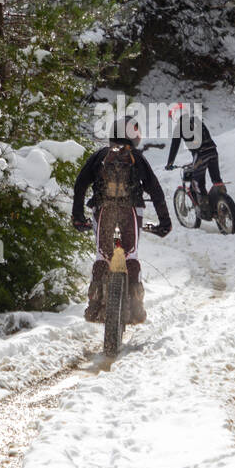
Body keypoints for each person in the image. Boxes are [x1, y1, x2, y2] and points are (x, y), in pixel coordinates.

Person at [72, 116, 170, 323]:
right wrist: (164, 222)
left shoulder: (100, 155)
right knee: (131, 254)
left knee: (102, 256)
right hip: (131, 211)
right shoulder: (137, 157)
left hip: (103, 210)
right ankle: (136, 307)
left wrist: (78, 216)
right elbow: (155, 189)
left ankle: (95, 303)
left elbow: (80, 184)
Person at [165, 102, 223, 209]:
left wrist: (170, 163)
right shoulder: (198, 121)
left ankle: (205, 206)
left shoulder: (179, 127)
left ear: (175, 115)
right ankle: (221, 198)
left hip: (201, 155)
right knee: (216, 179)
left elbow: (174, 147)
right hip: (213, 151)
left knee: (197, 182)